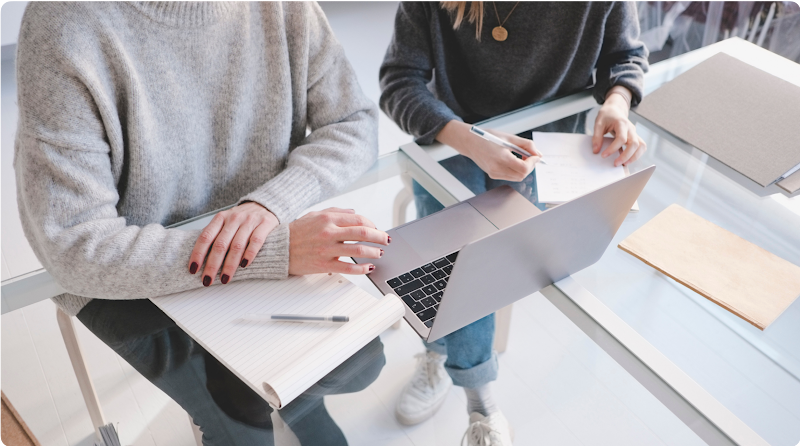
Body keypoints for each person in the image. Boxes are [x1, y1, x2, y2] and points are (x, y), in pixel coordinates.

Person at [15, 2, 388, 445]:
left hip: (265, 239)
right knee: (241, 416)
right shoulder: (65, 22)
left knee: (360, 365)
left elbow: (353, 122)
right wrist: (274, 253)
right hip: (126, 274)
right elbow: (75, 245)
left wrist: (269, 205)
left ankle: (292, 405)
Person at [379, 1, 649, 444]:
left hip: (549, 142)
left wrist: (617, 103)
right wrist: (468, 139)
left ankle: (440, 348)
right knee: (460, 242)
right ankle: (479, 399)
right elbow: (398, 82)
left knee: (485, 253)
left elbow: (625, 57)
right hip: (453, 133)